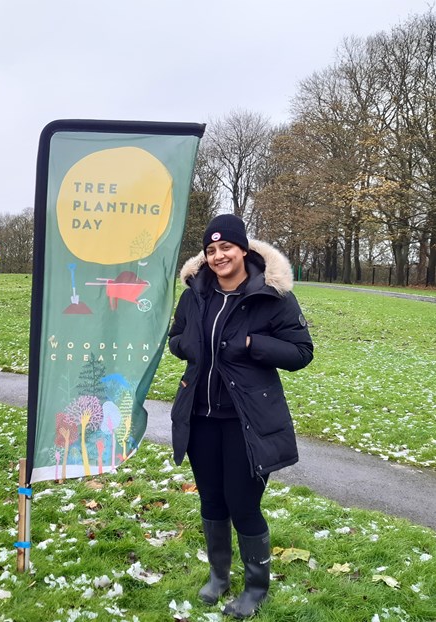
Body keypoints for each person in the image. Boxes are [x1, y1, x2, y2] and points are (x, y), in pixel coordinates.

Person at [167, 214, 313, 618]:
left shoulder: (271, 295)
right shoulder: (196, 293)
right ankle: (219, 575)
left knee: (243, 503)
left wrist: (253, 343)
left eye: (226, 247)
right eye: (210, 250)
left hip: (248, 421)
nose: (218, 256)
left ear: (243, 250)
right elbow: (175, 337)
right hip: (200, 416)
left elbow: (301, 352)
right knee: (212, 500)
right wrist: (187, 346)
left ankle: (255, 587)